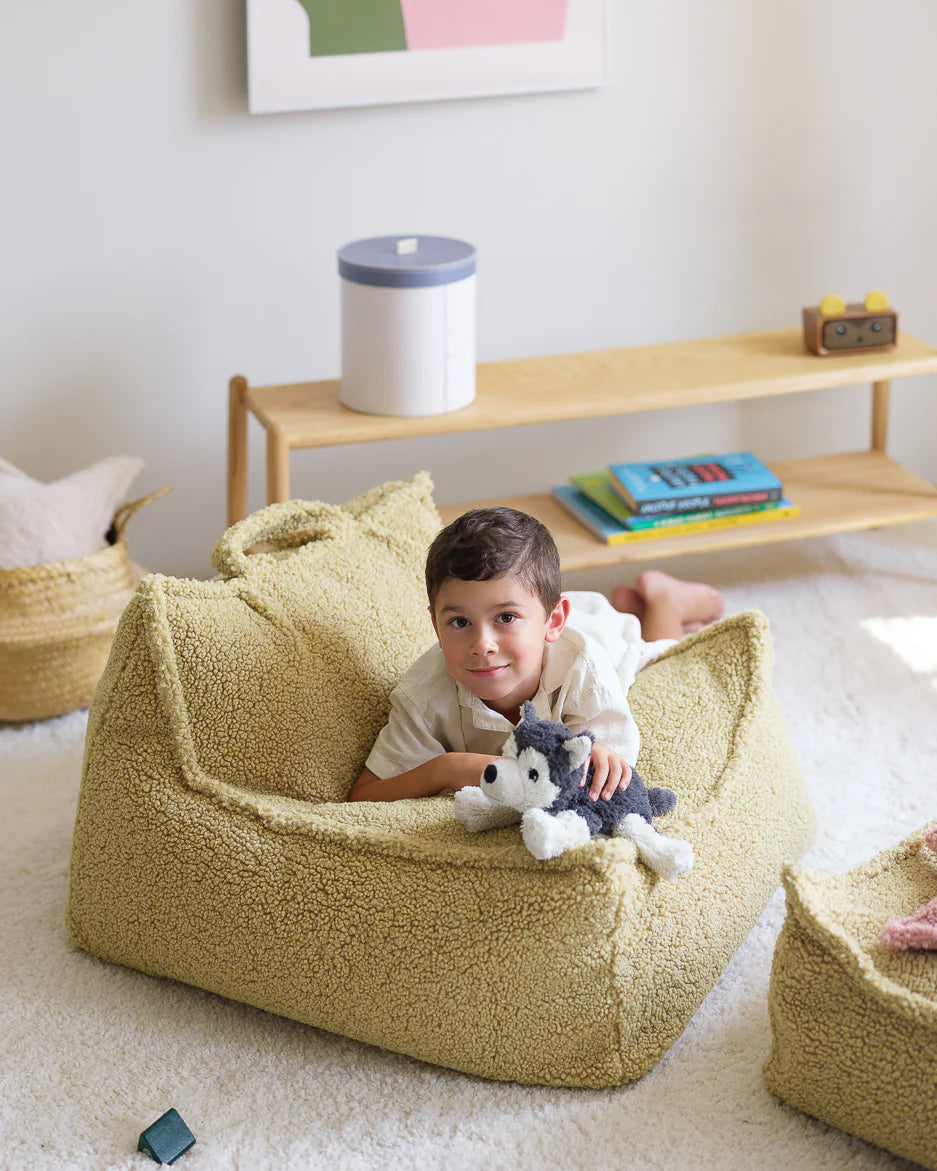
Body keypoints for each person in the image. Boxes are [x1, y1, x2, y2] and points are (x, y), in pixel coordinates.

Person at [348, 507, 723, 804]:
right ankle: (637, 601)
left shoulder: (583, 668)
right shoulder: (422, 696)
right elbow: (365, 794)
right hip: (546, 617)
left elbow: (598, 781)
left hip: (603, 634)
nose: (483, 644)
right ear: (435, 625)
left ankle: (665, 602)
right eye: (460, 622)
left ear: (553, 620)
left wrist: (604, 756)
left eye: (505, 618)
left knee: (663, 656)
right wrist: (447, 768)